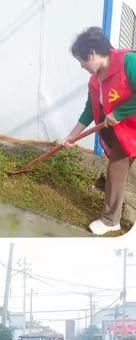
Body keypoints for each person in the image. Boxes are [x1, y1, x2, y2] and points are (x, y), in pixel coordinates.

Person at [62, 27, 136, 235]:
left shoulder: (128, 61)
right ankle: (113, 215)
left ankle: (111, 221)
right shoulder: (95, 80)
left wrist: (120, 112)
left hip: (132, 129)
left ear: (92, 53)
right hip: (122, 132)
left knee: (115, 172)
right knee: (116, 171)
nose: (81, 66)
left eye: (81, 60)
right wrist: (72, 136)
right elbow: (89, 110)